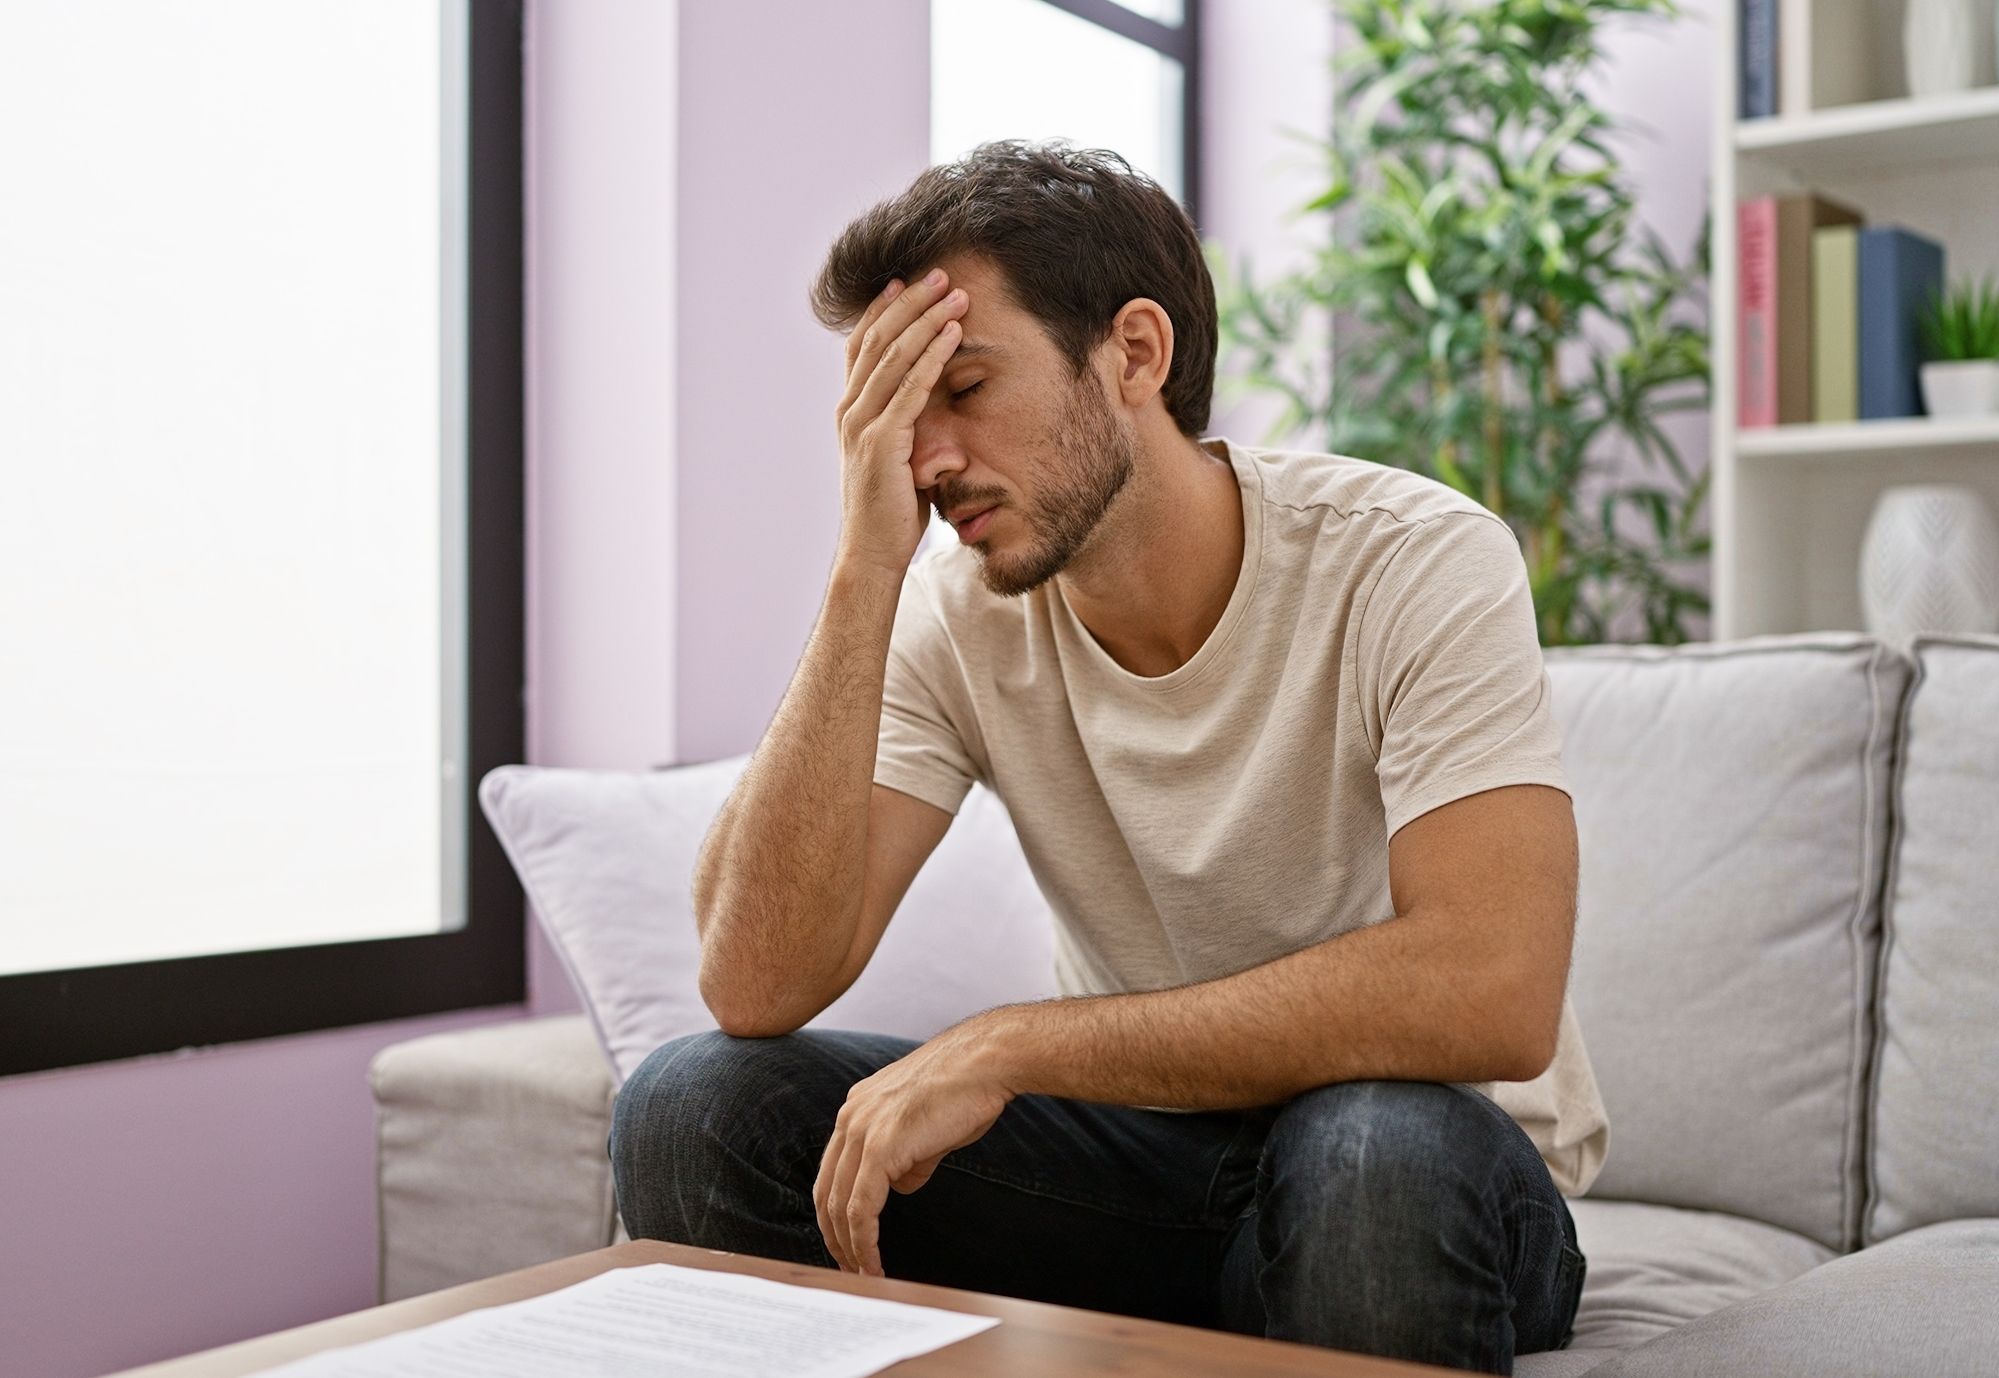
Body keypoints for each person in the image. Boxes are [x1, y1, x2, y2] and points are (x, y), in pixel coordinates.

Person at [609, 138, 1607, 1376]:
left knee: (1366, 1153)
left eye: (962, 387)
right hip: (1142, 1179)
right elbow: (754, 984)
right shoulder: (954, 611)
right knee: (698, 1105)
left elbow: (1490, 983)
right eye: (895, 416)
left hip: (1430, 1164)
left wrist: (1015, 1043)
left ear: (1135, 353)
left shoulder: (1410, 560)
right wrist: (866, 566)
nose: (926, 460)